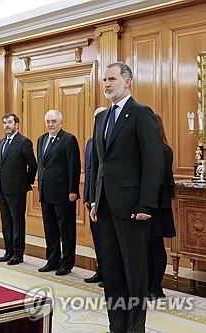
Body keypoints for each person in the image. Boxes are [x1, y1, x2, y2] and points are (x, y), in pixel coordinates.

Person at [90, 62, 163, 333]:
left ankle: (135, 328)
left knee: (135, 273)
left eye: (112, 79)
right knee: (111, 271)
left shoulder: (142, 114)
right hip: (106, 207)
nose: (107, 84)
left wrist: (145, 203)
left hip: (133, 208)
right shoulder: (101, 118)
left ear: (128, 82)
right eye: (104, 80)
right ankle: (116, 325)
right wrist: (95, 200)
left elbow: (153, 162)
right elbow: (99, 163)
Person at [37, 110, 81, 276]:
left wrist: (73, 190)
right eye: (48, 121)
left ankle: (67, 263)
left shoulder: (68, 139)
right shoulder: (41, 140)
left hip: (63, 193)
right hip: (46, 192)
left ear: (60, 122)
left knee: (66, 230)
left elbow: (73, 167)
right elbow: (42, 166)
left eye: (54, 121)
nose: (50, 124)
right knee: (50, 229)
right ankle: (52, 260)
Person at [0, 113, 37, 265]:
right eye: (5, 122)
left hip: (17, 190)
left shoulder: (24, 142)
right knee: (6, 222)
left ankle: (18, 254)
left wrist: (26, 183)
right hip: (2, 188)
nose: (7, 125)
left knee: (17, 223)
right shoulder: (1, 143)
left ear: (17, 125)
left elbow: (33, 165)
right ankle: (8, 251)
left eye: (10, 122)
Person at [148, 114, 176, 300]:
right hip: (155, 202)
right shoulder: (163, 149)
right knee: (149, 246)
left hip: (156, 203)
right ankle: (151, 285)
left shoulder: (161, 150)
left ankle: (156, 287)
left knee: (155, 245)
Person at [83, 107, 106, 286]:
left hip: (106, 199)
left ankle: (110, 273)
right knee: (98, 238)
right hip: (92, 199)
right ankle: (100, 269)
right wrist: (87, 197)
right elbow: (89, 172)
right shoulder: (90, 142)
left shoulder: (108, 141)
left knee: (108, 241)